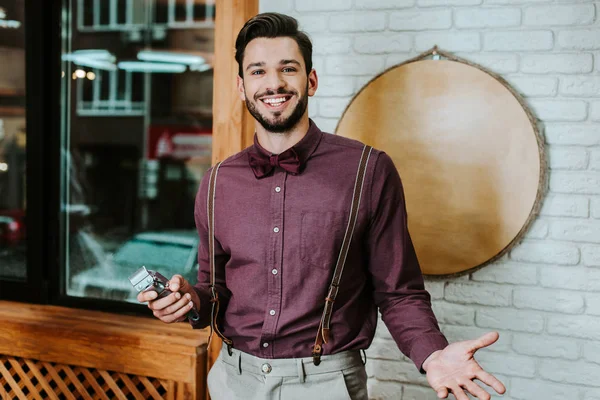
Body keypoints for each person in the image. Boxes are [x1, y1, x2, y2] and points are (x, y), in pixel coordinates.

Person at [137, 12, 506, 400]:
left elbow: (399, 292)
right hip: (233, 380)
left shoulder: (368, 170)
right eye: (258, 71)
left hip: (326, 384)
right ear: (242, 87)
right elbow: (215, 289)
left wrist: (432, 354)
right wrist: (189, 301)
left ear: (310, 80)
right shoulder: (215, 183)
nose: (274, 83)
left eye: (288, 68)